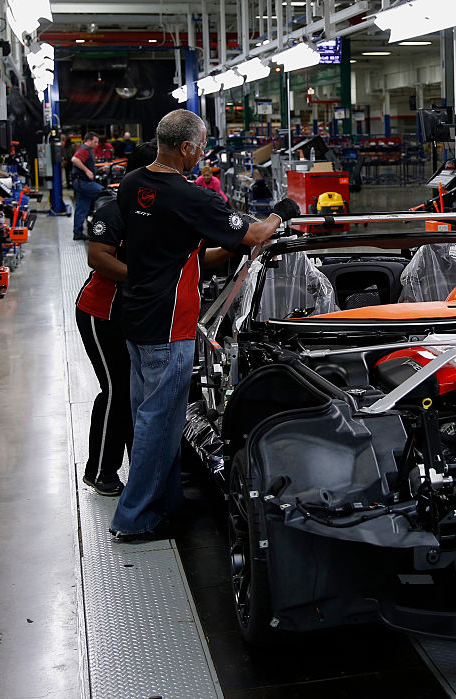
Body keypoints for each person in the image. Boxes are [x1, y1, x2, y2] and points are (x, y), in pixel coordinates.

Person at [109, 109, 301, 542]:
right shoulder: (190, 196)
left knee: (153, 417)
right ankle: (134, 518)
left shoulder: (134, 183)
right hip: (169, 321)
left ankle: (167, 501)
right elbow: (254, 235)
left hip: (137, 316)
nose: (204, 152)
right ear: (186, 148)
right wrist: (281, 213)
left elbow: (175, 246)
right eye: (202, 144)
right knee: (159, 423)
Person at [75, 142, 158, 496]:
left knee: (131, 390)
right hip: (101, 311)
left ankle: (134, 463)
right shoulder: (114, 210)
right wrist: (145, 278)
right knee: (117, 390)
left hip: (130, 312)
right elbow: (98, 259)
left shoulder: (156, 208)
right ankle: (101, 471)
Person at [70, 132, 104, 240]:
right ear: (88, 141)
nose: (97, 144)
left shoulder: (86, 150)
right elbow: (74, 159)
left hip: (81, 183)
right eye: (95, 142)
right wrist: (88, 171)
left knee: (82, 207)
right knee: (105, 193)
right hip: (84, 183)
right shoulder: (84, 149)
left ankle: (78, 232)